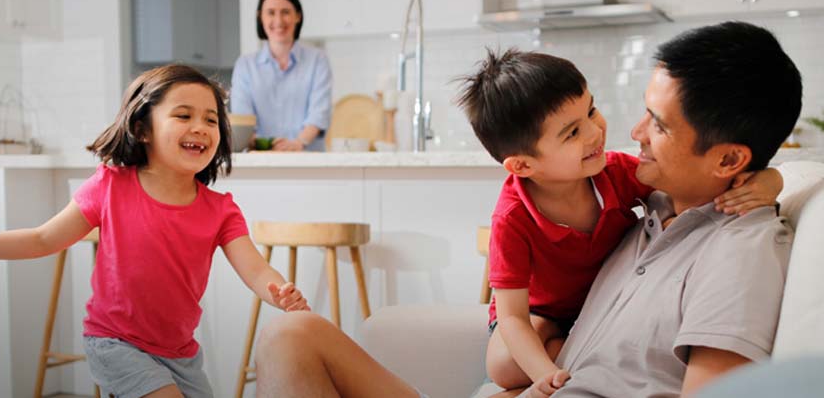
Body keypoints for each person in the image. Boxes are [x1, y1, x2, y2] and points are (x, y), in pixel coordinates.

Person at [251, 20, 802, 398]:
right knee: (290, 336)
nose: (631, 133)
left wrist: (772, 180)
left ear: (728, 159)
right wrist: (773, 176)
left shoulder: (737, 249)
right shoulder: (654, 200)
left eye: (657, 125)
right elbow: (515, 321)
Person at [0, 65, 311, 398]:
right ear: (143, 129)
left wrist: (279, 292)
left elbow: (255, 269)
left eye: (211, 119)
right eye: (183, 115)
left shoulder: (220, 210)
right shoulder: (110, 187)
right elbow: (42, 238)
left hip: (181, 353)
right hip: (115, 342)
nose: (201, 127)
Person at [455, 49, 782, 393]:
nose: (595, 133)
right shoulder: (512, 217)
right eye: (572, 133)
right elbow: (512, 317)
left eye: (591, 111)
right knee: (504, 366)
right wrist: (546, 377)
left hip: (594, 310)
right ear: (523, 166)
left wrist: (771, 179)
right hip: (539, 310)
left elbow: (694, 183)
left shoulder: (616, 174)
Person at [230, 0, 333, 151]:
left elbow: (319, 114)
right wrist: (269, 146)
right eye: (271, 12)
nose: (278, 20)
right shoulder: (245, 65)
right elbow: (244, 121)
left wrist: (297, 144)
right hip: (263, 158)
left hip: (308, 157)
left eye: (285, 12)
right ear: (260, 17)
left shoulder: (318, 60)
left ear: (297, 16)